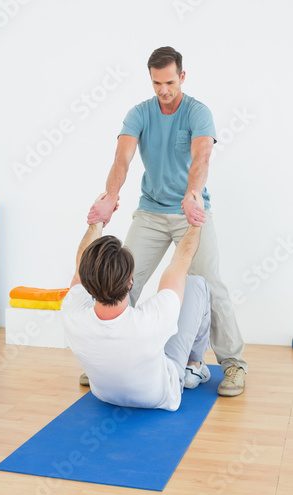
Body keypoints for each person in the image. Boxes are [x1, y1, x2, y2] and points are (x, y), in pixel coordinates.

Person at [87, 46, 247, 396]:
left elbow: (201, 156)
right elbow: (122, 158)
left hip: (190, 211)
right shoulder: (140, 113)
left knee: (210, 284)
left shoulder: (197, 112)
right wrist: (111, 195)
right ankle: (110, 357)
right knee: (119, 279)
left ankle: (233, 364)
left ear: (182, 77)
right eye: (157, 83)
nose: (163, 90)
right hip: (151, 211)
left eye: (170, 82)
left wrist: (193, 194)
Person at [62, 191, 211, 411]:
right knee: (196, 283)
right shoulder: (152, 321)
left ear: (87, 280)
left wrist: (97, 221)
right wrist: (196, 221)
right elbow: (182, 260)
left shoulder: (72, 311)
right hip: (160, 398)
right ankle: (193, 367)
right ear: (130, 282)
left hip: (104, 395)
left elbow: (80, 267)